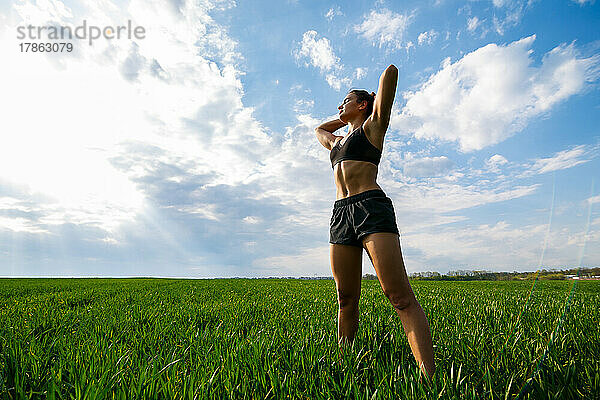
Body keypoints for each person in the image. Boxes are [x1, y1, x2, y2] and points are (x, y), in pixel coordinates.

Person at [314, 64, 435, 379]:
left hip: (371, 208)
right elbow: (319, 131)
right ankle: (346, 365)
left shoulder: (373, 128)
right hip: (341, 214)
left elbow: (390, 75)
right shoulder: (338, 142)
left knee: (399, 297)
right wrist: (343, 116)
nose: (341, 106)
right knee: (345, 297)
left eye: (346, 100)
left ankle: (429, 378)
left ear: (363, 104)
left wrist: (371, 94)